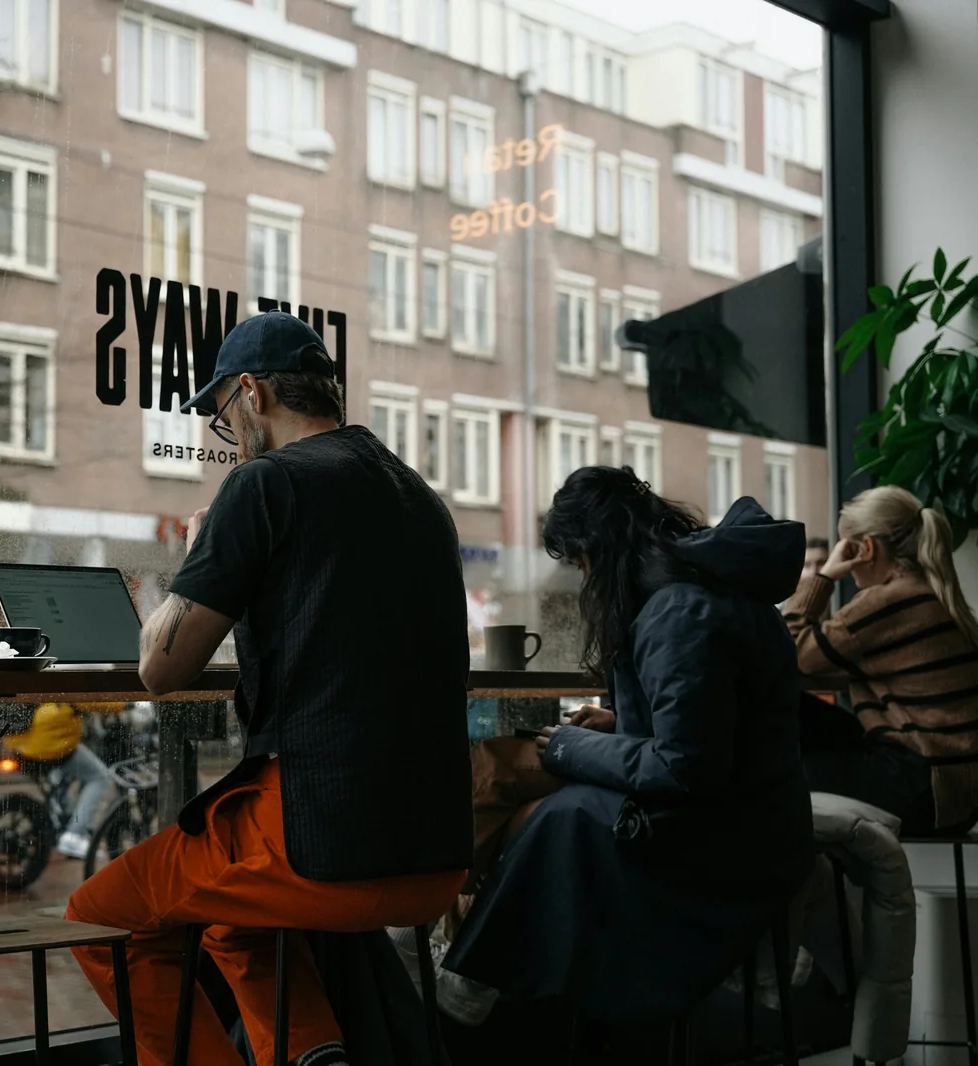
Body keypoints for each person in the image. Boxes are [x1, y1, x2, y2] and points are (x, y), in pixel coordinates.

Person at [65, 311, 473, 1066]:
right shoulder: (420, 497)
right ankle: (312, 1051)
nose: (228, 434)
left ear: (251, 392)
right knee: (229, 910)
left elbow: (161, 669)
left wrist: (200, 554)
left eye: (224, 413)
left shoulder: (264, 483)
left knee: (104, 914)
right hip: (437, 852)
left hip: (323, 840)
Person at [438, 468, 815, 1033]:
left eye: (579, 564)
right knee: (504, 773)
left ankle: (458, 964)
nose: (583, 580)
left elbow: (687, 767)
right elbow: (717, 722)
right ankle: (461, 953)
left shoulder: (679, 612)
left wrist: (573, 747)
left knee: (538, 810)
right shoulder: (702, 592)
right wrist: (620, 723)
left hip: (724, 837)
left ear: (600, 550)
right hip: (753, 813)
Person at [784, 486, 978, 835]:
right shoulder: (933, 595)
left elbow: (789, 653)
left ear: (866, 549)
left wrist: (824, 577)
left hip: (923, 789)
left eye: (847, 547)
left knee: (774, 766)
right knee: (793, 711)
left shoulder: (887, 601)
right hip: (958, 794)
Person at [1, 701, 123, 858]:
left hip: (20, 744)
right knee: (99, 777)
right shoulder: (65, 688)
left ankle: (61, 821)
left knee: (60, 777)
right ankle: (74, 836)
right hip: (50, 745)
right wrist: (123, 704)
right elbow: (90, 699)